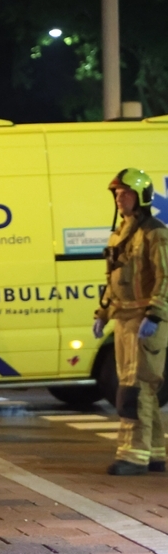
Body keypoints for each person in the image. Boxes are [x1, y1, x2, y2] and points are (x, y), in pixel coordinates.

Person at [93, 168, 168, 476]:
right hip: (124, 321)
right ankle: (155, 453)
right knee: (140, 388)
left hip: (144, 321)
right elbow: (113, 280)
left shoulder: (155, 233)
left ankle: (133, 456)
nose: (119, 198)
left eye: (125, 193)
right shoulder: (120, 233)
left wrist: (155, 314)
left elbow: (166, 277)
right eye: (116, 194)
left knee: (135, 389)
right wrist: (102, 314)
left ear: (141, 197)